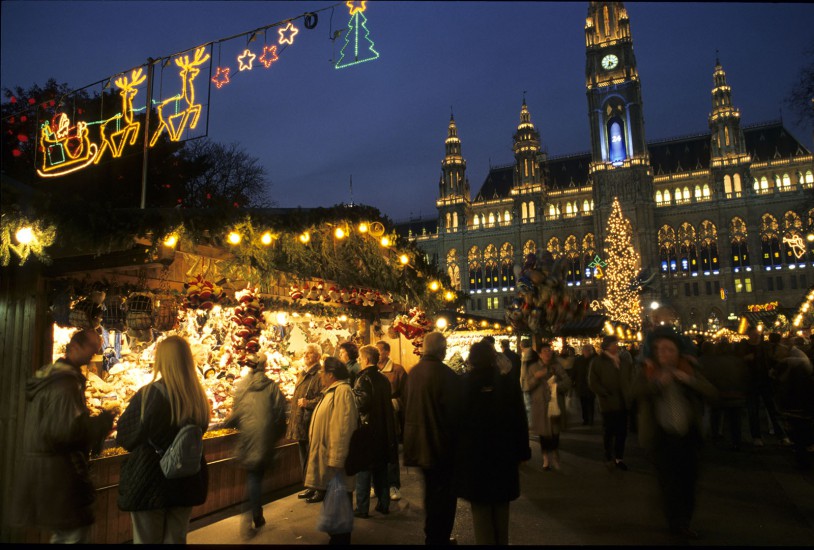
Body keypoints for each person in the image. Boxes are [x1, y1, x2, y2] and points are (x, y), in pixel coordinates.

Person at [12, 328, 114, 544]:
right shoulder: (65, 384)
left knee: (65, 535)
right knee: (73, 535)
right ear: (75, 347)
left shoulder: (54, 376)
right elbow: (65, 431)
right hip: (60, 474)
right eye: (91, 349)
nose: (93, 355)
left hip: (47, 473)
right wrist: (100, 424)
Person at [116, 335, 211, 544]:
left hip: (150, 480)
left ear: (161, 360)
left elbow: (124, 436)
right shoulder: (199, 397)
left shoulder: (149, 394)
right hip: (186, 479)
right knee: (176, 539)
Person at [633, 327, 717, 540]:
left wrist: (688, 380)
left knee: (689, 483)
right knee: (669, 485)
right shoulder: (647, 371)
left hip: (689, 437)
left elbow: (713, 393)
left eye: (669, 349)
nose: (664, 353)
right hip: (662, 439)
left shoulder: (688, 369)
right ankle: (675, 523)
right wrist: (658, 384)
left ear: (678, 351)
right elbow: (634, 394)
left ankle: (685, 521)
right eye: (660, 349)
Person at [454, 341, 531, 545]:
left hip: (475, 457)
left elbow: (455, 423)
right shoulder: (507, 383)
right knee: (501, 508)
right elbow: (519, 420)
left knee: (480, 512)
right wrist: (523, 452)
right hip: (503, 455)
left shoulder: (463, 384)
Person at [403, 331, 462, 545]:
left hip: (417, 443)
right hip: (440, 446)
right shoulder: (446, 375)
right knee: (444, 496)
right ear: (442, 350)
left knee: (430, 493)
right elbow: (455, 415)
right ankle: (440, 537)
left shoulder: (414, 373)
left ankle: (432, 535)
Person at [223, 352, 287, 538]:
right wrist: (276, 435)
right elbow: (280, 414)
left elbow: (236, 413)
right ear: (264, 367)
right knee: (256, 478)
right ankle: (252, 519)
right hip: (265, 437)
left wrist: (226, 424)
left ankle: (255, 516)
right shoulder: (272, 387)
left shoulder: (242, 386)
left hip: (248, 436)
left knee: (254, 477)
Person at [303, 357, 359, 545]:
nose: (320, 376)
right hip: (329, 458)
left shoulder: (342, 392)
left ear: (330, 374)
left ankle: (341, 540)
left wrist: (336, 459)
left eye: (322, 372)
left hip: (336, 462)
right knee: (335, 502)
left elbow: (343, 427)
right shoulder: (331, 392)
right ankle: (337, 537)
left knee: (340, 502)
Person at [352, 345, 398, 518]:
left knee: (364, 470)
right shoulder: (383, 378)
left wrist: (352, 395)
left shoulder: (363, 379)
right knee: (380, 469)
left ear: (365, 359)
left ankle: (362, 508)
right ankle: (383, 504)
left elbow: (362, 404)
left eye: (359, 358)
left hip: (367, 430)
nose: (358, 361)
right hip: (382, 429)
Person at [522, 342, 571, 470]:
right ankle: (545, 458)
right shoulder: (533, 368)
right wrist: (536, 377)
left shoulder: (557, 366)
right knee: (543, 433)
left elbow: (567, 381)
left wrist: (556, 385)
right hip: (540, 404)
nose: (548, 353)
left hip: (554, 403)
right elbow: (526, 386)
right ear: (539, 354)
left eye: (549, 350)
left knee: (555, 432)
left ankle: (555, 455)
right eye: (545, 351)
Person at [589, 335, 635, 471]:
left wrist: (630, 392)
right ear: (607, 346)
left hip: (623, 401)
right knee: (609, 431)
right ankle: (608, 455)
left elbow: (631, 377)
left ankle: (619, 458)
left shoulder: (624, 361)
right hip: (608, 403)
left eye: (616, 343)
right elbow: (593, 382)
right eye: (614, 344)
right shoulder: (598, 362)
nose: (616, 346)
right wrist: (603, 393)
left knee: (622, 432)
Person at [737, 326, 789, 446]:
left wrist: (773, 370)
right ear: (748, 334)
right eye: (754, 334)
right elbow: (738, 362)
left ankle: (782, 435)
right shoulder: (744, 346)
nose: (756, 337)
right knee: (753, 411)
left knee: (772, 410)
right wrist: (744, 359)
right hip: (751, 383)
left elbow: (772, 361)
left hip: (765, 381)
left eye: (757, 334)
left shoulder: (765, 346)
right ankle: (756, 437)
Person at [288, 343, 325, 502]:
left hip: (311, 422)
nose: (305, 356)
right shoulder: (303, 373)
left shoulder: (319, 375)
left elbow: (324, 398)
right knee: (305, 456)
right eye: (305, 353)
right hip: (301, 422)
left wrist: (308, 403)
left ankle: (319, 488)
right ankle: (310, 486)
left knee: (314, 457)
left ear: (317, 356)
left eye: (309, 354)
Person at [698, 341, 748, 450]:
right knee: (735, 422)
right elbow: (744, 377)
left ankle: (715, 439)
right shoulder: (738, 361)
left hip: (719, 395)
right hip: (736, 395)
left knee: (715, 419)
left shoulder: (714, 362)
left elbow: (710, 378)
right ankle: (736, 442)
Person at [376, 340, 407, 501]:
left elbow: (406, 394)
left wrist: (396, 404)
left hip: (391, 415)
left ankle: (393, 485)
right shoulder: (371, 369)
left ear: (387, 352)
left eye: (379, 351)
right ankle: (376, 485)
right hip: (374, 415)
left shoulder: (397, 370)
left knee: (391, 450)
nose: (377, 353)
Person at [573, 344, 598, 426]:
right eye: (586, 350)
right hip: (581, 385)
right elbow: (575, 372)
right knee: (583, 404)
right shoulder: (578, 360)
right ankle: (585, 419)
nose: (588, 352)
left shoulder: (595, 359)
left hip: (591, 385)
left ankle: (590, 419)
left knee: (591, 403)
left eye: (589, 350)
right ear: (583, 351)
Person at [519, 339, 535, 424]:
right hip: (528, 381)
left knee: (528, 403)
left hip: (528, 382)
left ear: (521, 345)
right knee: (529, 403)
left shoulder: (527, 355)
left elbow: (525, 371)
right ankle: (530, 421)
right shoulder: (527, 354)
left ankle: (530, 422)